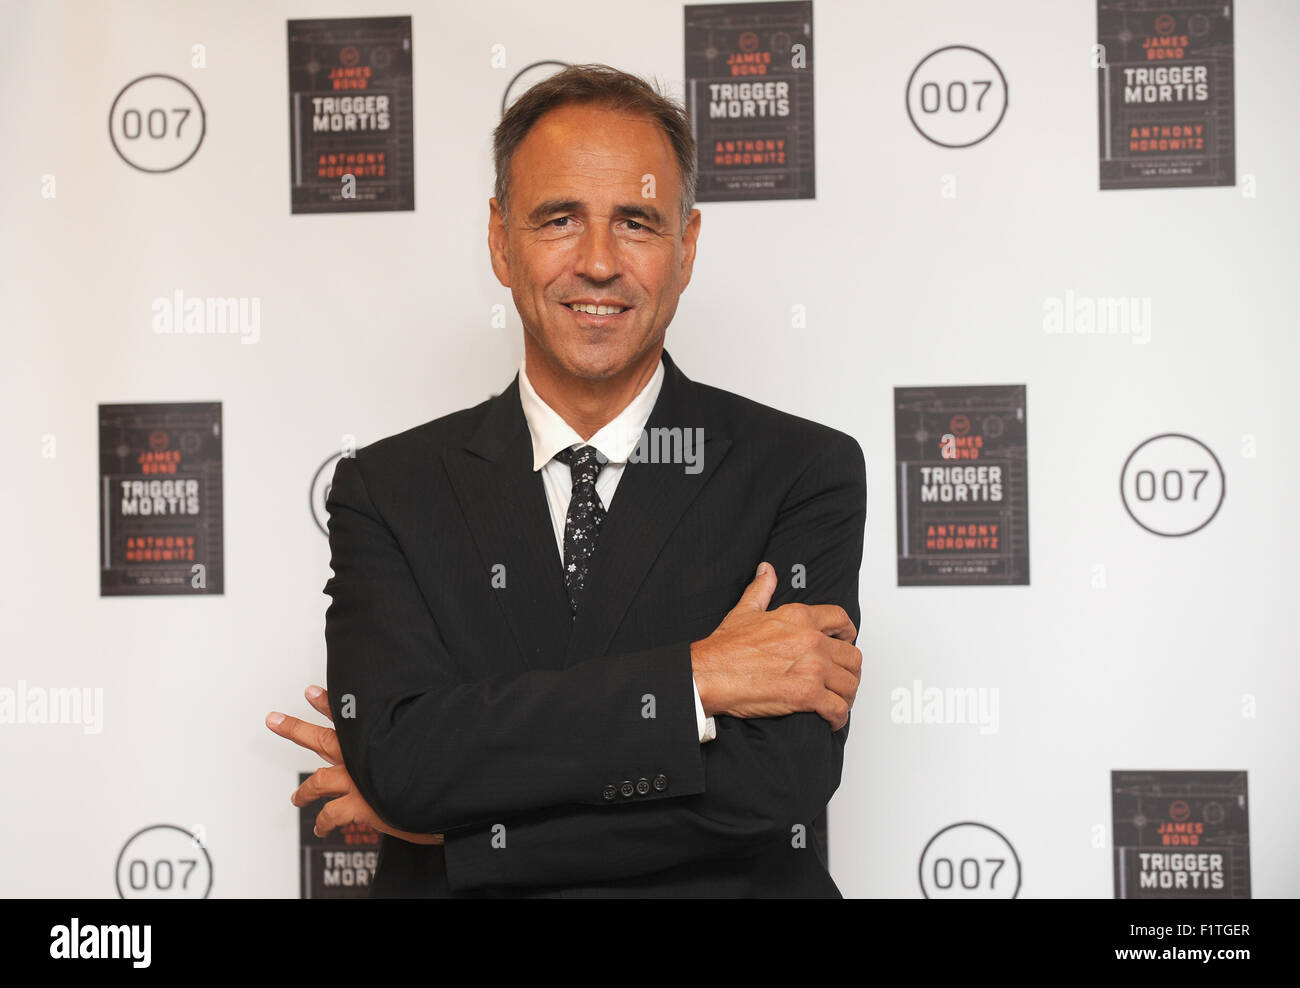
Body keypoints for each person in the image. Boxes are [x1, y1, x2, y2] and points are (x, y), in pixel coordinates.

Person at [266, 63, 866, 897]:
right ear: (500, 240)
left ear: (685, 248)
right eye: (558, 219)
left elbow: (773, 784)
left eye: (636, 222)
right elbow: (403, 760)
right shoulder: (389, 490)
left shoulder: (800, 471)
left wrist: (461, 832)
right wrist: (695, 680)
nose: (597, 263)